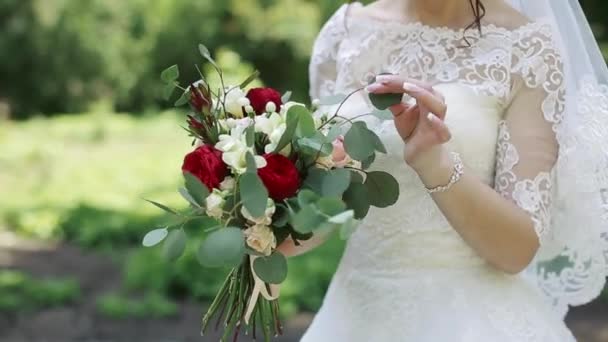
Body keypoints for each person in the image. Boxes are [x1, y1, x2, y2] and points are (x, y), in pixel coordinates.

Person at [278, 0, 608, 340]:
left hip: (473, 320)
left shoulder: (526, 44)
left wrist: (434, 163)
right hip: (353, 314)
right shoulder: (344, 33)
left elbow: (516, 251)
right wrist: (267, 222)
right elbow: (339, 202)